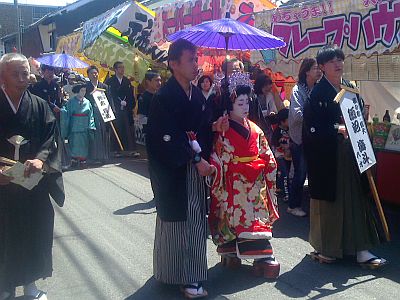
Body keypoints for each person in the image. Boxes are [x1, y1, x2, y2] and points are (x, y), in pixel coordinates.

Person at [146, 39, 227, 299]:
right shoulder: (164, 97)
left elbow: (200, 127)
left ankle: (173, 273)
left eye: (196, 59)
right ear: (173, 64)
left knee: (189, 220)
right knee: (184, 221)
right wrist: (195, 160)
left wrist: (214, 127)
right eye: (191, 60)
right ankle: (189, 279)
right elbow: (166, 136)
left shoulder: (194, 95)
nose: (196, 64)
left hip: (190, 166)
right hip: (175, 168)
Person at [303, 45, 386, 268]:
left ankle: (361, 248)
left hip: (353, 151)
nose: (338, 64)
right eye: (331, 61)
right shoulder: (318, 93)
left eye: (339, 59)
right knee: (333, 202)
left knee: (358, 198)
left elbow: (357, 114)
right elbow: (310, 128)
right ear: (321, 66)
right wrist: (335, 129)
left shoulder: (350, 87)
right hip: (331, 156)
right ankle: (328, 247)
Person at [0, 53, 64, 300]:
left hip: (32, 185)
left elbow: (52, 138)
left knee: (35, 231)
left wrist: (41, 159)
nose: (21, 78)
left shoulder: (39, 105)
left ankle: (30, 284)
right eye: (14, 73)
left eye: (25, 73)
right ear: (2, 77)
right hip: (2, 189)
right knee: (5, 235)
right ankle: (5, 286)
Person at [208, 74, 280, 279]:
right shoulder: (224, 130)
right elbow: (219, 157)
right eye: (240, 103)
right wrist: (225, 168)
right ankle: (242, 251)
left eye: (247, 102)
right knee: (238, 217)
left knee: (257, 215)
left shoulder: (255, 129)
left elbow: (267, 154)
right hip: (235, 183)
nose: (245, 107)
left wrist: (268, 166)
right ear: (229, 106)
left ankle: (256, 253)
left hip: (256, 182)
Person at [288, 58, 322, 217]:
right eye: (315, 68)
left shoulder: (317, 88)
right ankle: (293, 205)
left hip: (314, 137)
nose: (319, 71)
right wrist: (315, 117)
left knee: (314, 171)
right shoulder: (297, 90)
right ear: (307, 71)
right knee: (300, 172)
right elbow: (296, 115)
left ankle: (315, 204)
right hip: (299, 137)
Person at [105, 62, 139, 157]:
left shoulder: (127, 81)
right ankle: (116, 150)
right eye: (120, 68)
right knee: (117, 128)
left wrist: (129, 103)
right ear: (115, 69)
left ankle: (131, 149)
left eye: (123, 68)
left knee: (128, 128)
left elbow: (130, 95)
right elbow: (109, 95)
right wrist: (115, 104)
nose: (122, 70)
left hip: (126, 108)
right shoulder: (110, 81)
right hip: (115, 108)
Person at [60, 84, 95, 168]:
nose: (83, 92)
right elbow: (66, 112)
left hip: (85, 123)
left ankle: (83, 160)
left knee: (84, 143)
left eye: (84, 91)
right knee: (74, 142)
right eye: (82, 90)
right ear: (77, 91)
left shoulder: (87, 102)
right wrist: (62, 111)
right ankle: (74, 160)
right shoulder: (71, 101)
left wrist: (91, 125)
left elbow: (91, 115)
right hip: (74, 123)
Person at [85, 65, 113, 164]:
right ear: (88, 75)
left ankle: (104, 156)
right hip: (91, 114)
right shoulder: (86, 87)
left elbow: (110, 101)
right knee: (94, 135)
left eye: (96, 73)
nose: (94, 75)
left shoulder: (104, 87)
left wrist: (111, 113)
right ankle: (93, 156)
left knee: (104, 134)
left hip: (103, 114)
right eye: (92, 73)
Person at [250, 74, 285, 142]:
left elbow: (273, 109)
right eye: (265, 86)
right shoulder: (253, 97)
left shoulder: (270, 95)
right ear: (260, 85)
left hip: (267, 126)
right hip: (256, 125)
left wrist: (272, 113)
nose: (268, 88)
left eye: (269, 86)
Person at [271, 108, 293, 205]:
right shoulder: (278, 131)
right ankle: (286, 194)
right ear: (283, 121)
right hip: (280, 155)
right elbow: (274, 142)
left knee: (287, 173)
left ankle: (280, 188)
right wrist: (282, 146)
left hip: (288, 155)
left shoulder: (290, 129)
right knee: (285, 174)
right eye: (289, 119)